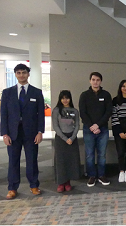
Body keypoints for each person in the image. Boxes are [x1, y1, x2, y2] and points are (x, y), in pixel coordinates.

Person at [1, 63, 45, 199]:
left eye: (24, 72)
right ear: (15, 74)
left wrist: (40, 131)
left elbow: (41, 114)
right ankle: (12, 188)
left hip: (31, 133)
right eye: (19, 73)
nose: (21, 75)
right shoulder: (7, 93)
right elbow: (3, 114)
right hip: (13, 133)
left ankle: (34, 185)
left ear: (28, 74)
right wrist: (4, 133)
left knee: (32, 160)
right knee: (13, 160)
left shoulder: (36, 92)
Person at [79, 72, 112, 187]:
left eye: (98, 80)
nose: (95, 82)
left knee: (102, 154)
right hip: (88, 130)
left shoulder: (106, 95)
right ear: (90, 81)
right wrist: (92, 126)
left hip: (102, 129)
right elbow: (82, 113)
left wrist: (98, 125)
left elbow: (108, 112)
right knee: (90, 154)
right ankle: (92, 176)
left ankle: (101, 175)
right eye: (93, 79)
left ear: (101, 81)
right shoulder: (84, 95)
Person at [52, 90, 80, 192]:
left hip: (72, 138)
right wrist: (64, 138)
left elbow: (77, 125)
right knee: (60, 161)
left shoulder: (74, 111)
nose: (65, 100)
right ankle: (61, 183)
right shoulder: (56, 110)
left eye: (67, 98)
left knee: (71, 161)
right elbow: (55, 126)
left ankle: (68, 182)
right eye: (63, 98)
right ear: (60, 99)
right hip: (61, 139)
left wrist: (72, 138)